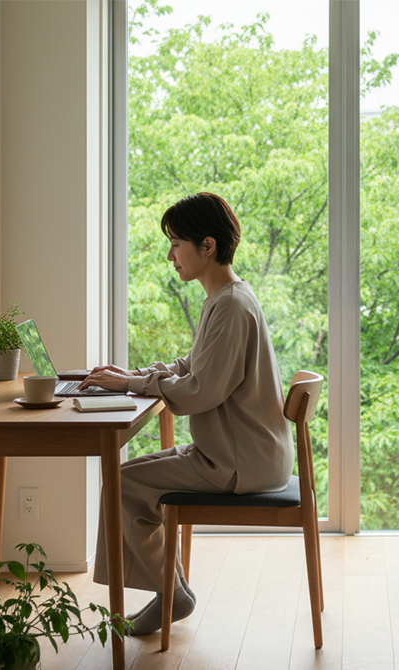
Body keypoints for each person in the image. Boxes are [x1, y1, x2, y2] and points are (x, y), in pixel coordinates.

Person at [82, 192, 293, 635]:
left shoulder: (231, 305)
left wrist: (133, 385)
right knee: (125, 481)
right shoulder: (227, 297)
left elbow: (201, 391)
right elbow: (196, 366)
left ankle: (171, 593)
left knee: (122, 486)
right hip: (240, 454)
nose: (170, 254)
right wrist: (133, 376)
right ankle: (169, 590)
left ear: (208, 246)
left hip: (238, 463)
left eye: (177, 243)